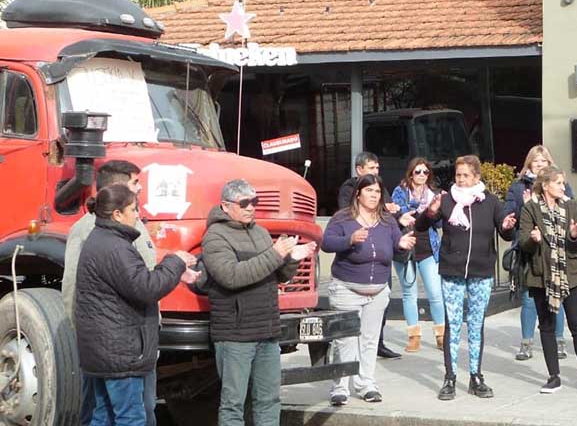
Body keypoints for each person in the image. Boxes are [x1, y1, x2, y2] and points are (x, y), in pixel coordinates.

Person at [75, 185, 195, 426]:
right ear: (117, 215)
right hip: (121, 353)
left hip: (104, 351)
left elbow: (131, 281)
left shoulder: (100, 240)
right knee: (130, 418)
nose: (138, 214)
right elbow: (146, 288)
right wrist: (174, 261)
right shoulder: (116, 247)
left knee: (103, 415)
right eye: (133, 208)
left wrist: (171, 272)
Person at [202, 179, 315, 426]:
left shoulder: (261, 233)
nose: (251, 207)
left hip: (267, 331)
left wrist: (292, 258)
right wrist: (276, 254)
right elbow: (232, 276)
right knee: (233, 403)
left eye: (255, 201)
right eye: (244, 203)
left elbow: (279, 276)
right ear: (225, 206)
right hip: (235, 335)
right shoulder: (214, 237)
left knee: (269, 400)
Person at [63, 160, 160, 426]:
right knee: (114, 412)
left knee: (138, 408)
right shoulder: (87, 229)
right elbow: (73, 287)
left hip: (137, 340)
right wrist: (87, 339)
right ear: (117, 188)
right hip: (113, 344)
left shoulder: (135, 224)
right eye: (134, 183)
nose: (140, 189)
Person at [415, 155, 517, 401]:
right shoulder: (446, 200)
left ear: (476, 177)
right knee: (453, 321)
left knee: (475, 323)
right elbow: (420, 226)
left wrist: (506, 225)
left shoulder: (491, 201)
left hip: (481, 270)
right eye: (458, 175)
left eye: (465, 175)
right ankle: (450, 377)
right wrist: (430, 213)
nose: (460, 179)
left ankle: (475, 376)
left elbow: (507, 233)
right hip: (452, 269)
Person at [323, 174, 416, 405]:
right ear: (358, 193)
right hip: (347, 289)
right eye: (369, 191)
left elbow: (396, 244)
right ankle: (340, 387)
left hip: (377, 292)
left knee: (369, 340)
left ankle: (366, 384)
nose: (374, 196)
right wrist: (350, 240)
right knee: (345, 341)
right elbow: (326, 243)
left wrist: (402, 244)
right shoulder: (342, 218)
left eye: (377, 192)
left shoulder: (387, 220)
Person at [518, 166, 577, 396]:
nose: (562, 186)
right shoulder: (530, 209)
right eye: (558, 183)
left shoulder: (570, 205)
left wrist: (574, 236)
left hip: (571, 274)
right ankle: (553, 377)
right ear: (545, 185)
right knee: (546, 326)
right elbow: (523, 241)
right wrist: (533, 239)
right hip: (541, 276)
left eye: (563, 183)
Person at [338, 151, 413, 360]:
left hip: (381, 256)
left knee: (383, 301)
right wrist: (381, 209)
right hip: (357, 258)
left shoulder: (382, 188)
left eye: (377, 168)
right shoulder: (348, 189)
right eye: (372, 168)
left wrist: (400, 216)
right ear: (359, 170)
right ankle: (354, 348)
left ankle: (378, 342)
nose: (376, 172)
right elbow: (346, 215)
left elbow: (390, 213)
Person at [504, 145, 570, 362]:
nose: (540, 164)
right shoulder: (517, 188)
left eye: (543, 161)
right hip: (529, 252)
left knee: (556, 296)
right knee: (529, 299)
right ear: (529, 164)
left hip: (554, 250)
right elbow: (510, 221)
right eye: (535, 161)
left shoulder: (561, 185)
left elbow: (569, 212)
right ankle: (526, 343)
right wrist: (526, 208)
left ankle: (559, 341)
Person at [391, 158, 445, 352]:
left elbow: (439, 224)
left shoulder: (435, 195)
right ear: (411, 173)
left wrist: (435, 211)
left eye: (425, 172)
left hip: (428, 248)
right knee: (409, 293)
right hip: (405, 248)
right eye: (418, 171)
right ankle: (414, 336)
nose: (422, 175)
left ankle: (441, 335)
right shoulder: (400, 192)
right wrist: (418, 212)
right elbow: (397, 216)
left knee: (435, 293)